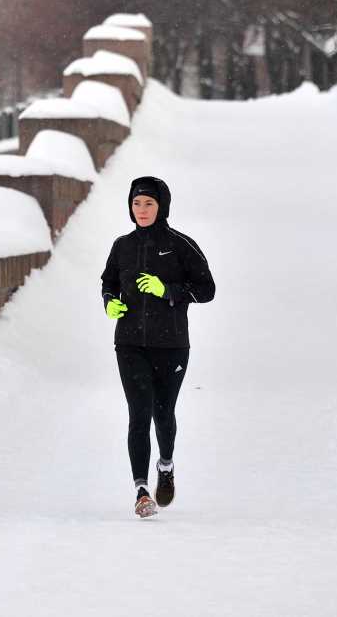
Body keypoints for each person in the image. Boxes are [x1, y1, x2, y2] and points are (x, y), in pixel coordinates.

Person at [100, 176, 215, 518]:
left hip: (172, 345)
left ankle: (165, 465)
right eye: (136, 203)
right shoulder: (122, 245)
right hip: (130, 342)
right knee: (139, 415)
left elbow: (206, 289)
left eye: (148, 203)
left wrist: (167, 290)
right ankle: (140, 490)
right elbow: (108, 281)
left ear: (161, 206)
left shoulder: (181, 245)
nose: (142, 210)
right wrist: (109, 301)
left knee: (163, 415)